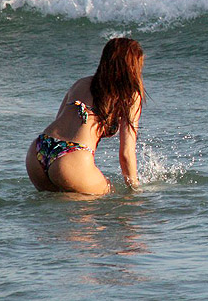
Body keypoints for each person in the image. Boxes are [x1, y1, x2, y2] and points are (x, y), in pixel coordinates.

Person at [25, 38, 145, 194]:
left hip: (39, 149)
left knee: (55, 211)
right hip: (72, 157)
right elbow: (126, 153)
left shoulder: (81, 83)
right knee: (111, 195)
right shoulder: (130, 95)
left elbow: (59, 120)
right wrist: (135, 190)